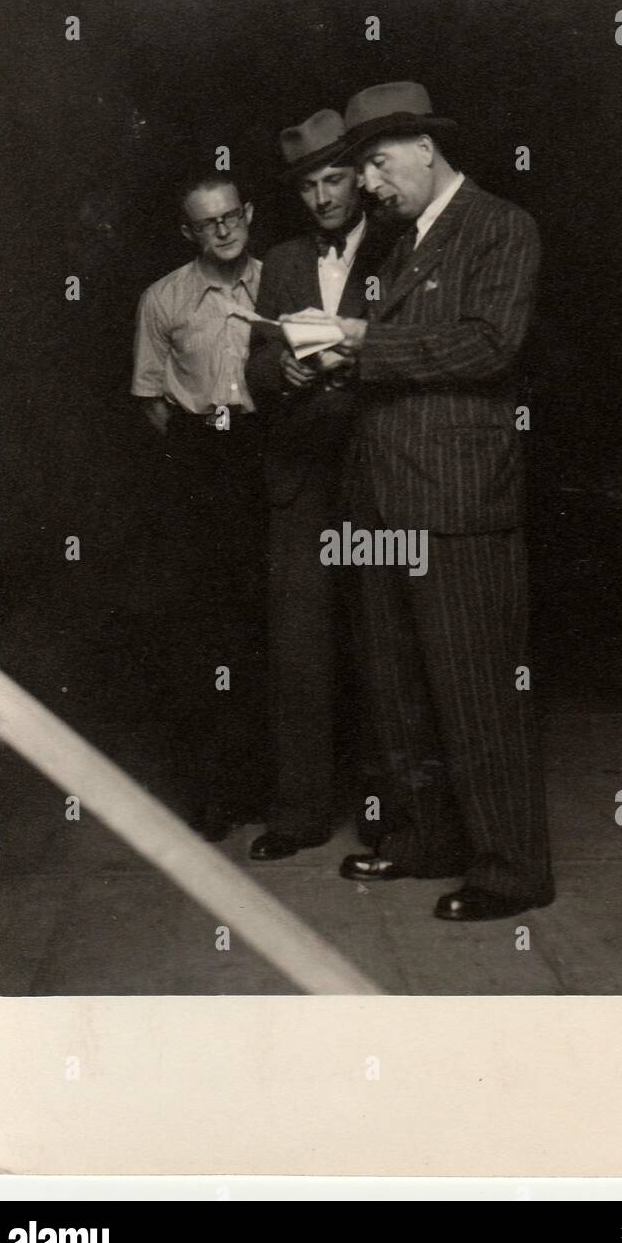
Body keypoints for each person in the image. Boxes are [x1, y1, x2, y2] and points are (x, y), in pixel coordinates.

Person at [323, 82, 555, 922]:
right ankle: (428, 839)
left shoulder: (501, 226)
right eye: (360, 171)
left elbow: (489, 344)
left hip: (456, 500)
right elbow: (391, 354)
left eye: (378, 164)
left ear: (426, 147)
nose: (370, 187)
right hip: (379, 502)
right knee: (398, 686)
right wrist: (332, 353)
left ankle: (510, 870)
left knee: (476, 689)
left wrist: (365, 343)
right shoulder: (392, 245)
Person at [246, 110, 392, 861]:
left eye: (334, 179)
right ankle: (299, 814)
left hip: (377, 476)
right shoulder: (281, 260)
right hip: (301, 479)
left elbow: (413, 349)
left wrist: (354, 361)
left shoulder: (400, 249)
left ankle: (382, 817)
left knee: (380, 644)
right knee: (299, 651)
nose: (323, 197)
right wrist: (285, 371)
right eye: (308, 186)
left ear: (358, 180)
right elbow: (255, 363)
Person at [131, 168, 267, 839]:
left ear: (247, 213)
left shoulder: (283, 281)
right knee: (206, 629)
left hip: (269, 455)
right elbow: (152, 399)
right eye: (207, 222)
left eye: (231, 215)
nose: (223, 229)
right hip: (199, 464)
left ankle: (270, 788)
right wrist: (202, 446)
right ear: (188, 232)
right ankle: (213, 793)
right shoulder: (163, 298)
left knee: (271, 621)